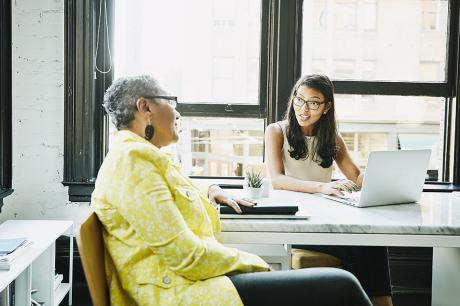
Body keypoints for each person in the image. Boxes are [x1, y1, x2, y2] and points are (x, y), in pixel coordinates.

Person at [91, 75, 372, 306]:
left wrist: (211, 187)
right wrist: (255, 263)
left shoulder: (140, 156)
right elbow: (186, 257)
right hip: (177, 292)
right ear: (145, 108)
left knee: (340, 283)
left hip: (186, 282)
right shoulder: (134, 161)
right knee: (341, 286)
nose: (177, 112)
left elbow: (172, 188)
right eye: (170, 102)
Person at [264, 74, 393, 306]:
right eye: (299, 100)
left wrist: (389, 176)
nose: (303, 109)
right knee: (363, 249)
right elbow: (277, 180)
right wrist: (322, 187)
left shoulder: (332, 138)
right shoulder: (276, 131)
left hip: (322, 221)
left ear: (326, 107)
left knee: (371, 243)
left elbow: (357, 177)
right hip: (293, 222)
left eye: (313, 103)